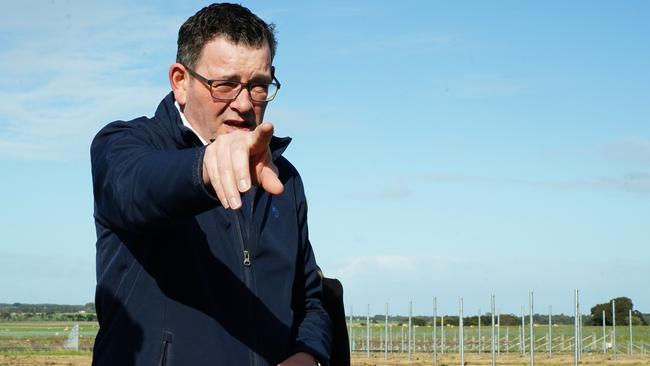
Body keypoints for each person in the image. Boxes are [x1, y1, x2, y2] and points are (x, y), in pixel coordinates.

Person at [90, 3, 331, 365]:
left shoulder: (284, 177)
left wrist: (308, 354)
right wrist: (205, 166)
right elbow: (133, 189)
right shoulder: (124, 146)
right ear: (180, 81)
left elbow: (310, 298)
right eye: (226, 85)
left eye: (259, 86)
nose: (244, 104)